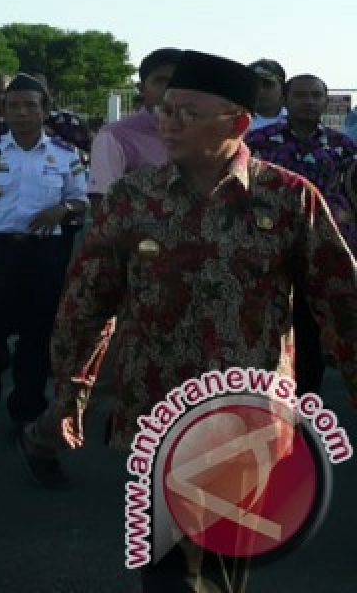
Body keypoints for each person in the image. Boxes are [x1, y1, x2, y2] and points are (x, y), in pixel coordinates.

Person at [32, 51, 357, 591]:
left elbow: (343, 305)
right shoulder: (134, 199)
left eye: (187, 113)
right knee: (168, 570)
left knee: (221, 569)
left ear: (237, 123)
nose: (168, 122)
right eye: (166, 110)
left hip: (246, 422)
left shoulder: (289, 198)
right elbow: (86, 302)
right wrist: (70, 390)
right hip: (157, 412)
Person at [0, 73, 88, 467]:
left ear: (45, 110)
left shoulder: (65, 154)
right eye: (14, 106)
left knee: (38, 335)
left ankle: (25, 410)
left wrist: (64, 210)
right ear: (2, 110)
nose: (22, 113)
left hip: (47, 255)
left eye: (30, 105)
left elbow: (82, 202)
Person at [246, 73, 357, 393]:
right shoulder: (258, 143)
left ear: (325, 101)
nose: (309, 101)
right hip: (267, 251)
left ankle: (305, 412)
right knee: (265, 332)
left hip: (323, 254)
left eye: (316, 95)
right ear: (285, 99)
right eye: (301, 95)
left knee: (311, 339)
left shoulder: (343, 147)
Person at [88, 48, 184, 201]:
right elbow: (101, 204)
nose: (169, 90)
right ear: (141, 89)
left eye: (179, 81)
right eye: (160, 81)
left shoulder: (204, 132)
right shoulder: (113, 137)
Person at [246, 58, 287, 132]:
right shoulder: (234, 122)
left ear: (282, 87)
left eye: (267, 83)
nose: (260, 90)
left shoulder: (296, 119)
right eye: (253, 84)